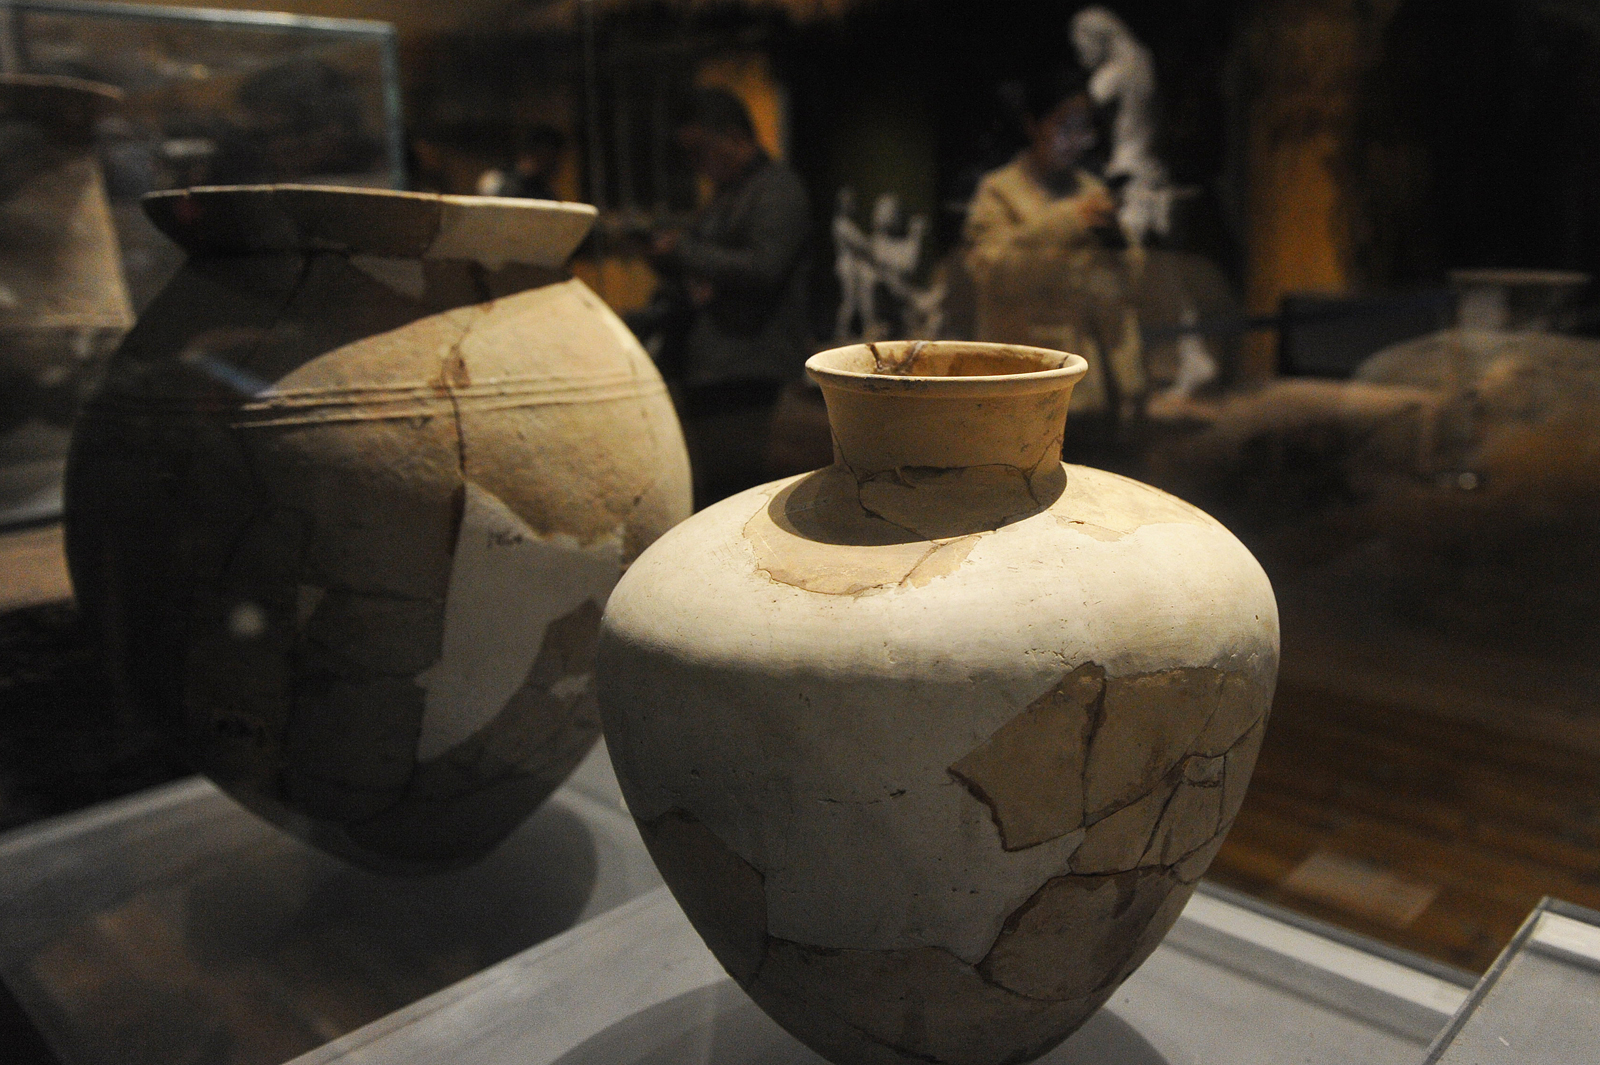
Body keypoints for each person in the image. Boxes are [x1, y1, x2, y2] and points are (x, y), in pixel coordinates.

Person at [630, 87, 811, 508]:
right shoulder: (731, 193)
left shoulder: (777, 189)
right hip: (716, 365)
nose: (697, 164)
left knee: (734, 492)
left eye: (700, 150)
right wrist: (667, 259)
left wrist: (682, 250)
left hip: (747, 363)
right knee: (714, 483)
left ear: (733, 137)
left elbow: (764, 268)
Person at [962, 65, 1144, 452]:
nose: (1077, 141)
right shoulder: (999, 192)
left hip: (1103, 388)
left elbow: (1133, 279)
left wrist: (1118, 244)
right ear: (1034, 125)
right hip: (1029, 389)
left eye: (1084, 129)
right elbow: (992, 273)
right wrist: (1069, 220)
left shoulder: (1091, 189)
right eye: (1065, 128)